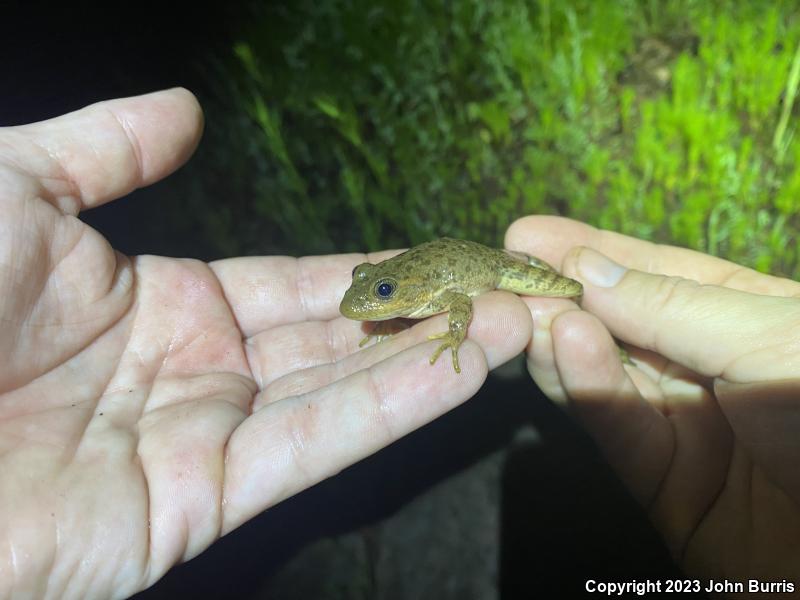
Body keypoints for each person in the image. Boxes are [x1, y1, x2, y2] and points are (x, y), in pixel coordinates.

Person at [1, 88, 797, 598]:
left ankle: (629, 336)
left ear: (399, 291)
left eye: (376, 294)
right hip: (472, 263)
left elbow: (458, 295)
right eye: (372, 290)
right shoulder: (394, 289)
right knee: (575, 327)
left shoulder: (429, 291)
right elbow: (395, 285)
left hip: (489, 270)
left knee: (568, 299)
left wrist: (457, 332)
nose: (367, 302)